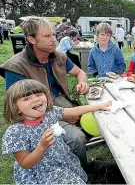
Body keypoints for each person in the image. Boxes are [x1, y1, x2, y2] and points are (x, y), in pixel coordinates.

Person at [0, 17, 90, 167]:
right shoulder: (16, 67)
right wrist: (65, 115)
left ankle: (68, 158)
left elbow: (80, 72)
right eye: (47, 36)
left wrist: (83, 82)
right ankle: (85, 170)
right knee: (77, 138)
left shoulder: (58, 55)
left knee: (96, 117)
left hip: (61, 103)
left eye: (54, 35)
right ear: (31, 39)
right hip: (39, 114)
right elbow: (21, 109)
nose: (54, 39)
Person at [2, 79, 111, 184]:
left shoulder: (49, 113)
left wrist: (99, 106)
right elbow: (25, 163)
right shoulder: (15, 132)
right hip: (43, 173)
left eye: (39, 94)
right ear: (16, 108)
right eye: (26, 98)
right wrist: (42, 147)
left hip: (62, 160)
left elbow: (73, 111)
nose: (35, 99)